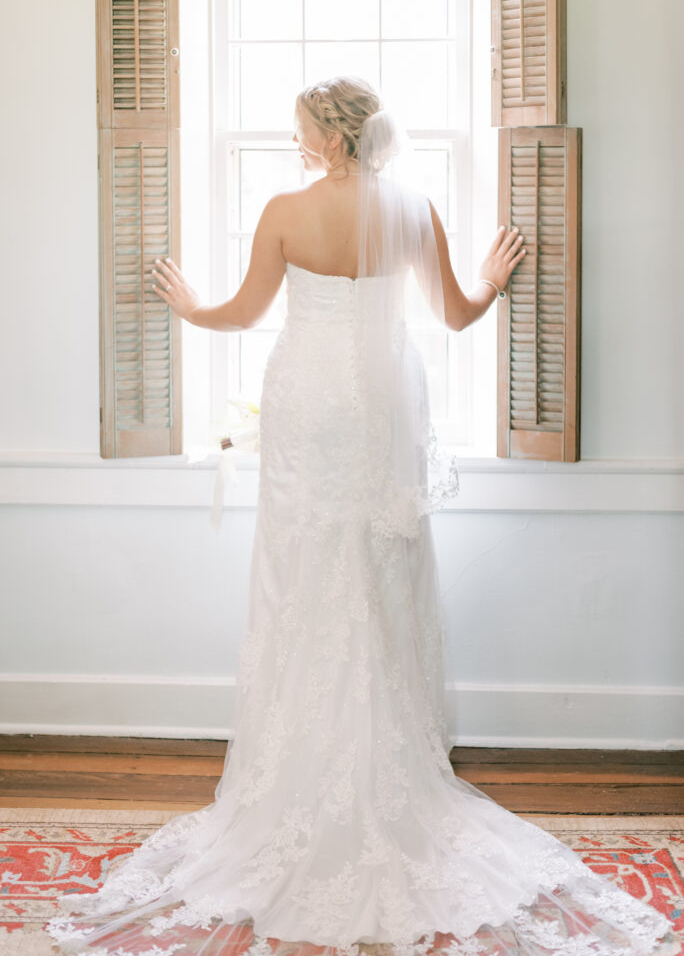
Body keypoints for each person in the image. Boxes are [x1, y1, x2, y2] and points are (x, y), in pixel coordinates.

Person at [46, 77, 675, 956]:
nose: (295, 141)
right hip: (382, 405)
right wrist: (493, 282)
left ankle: (301, 776)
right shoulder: (415, 209)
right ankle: (383, 762)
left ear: (334, 141)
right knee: (380, 566)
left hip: (309, 403)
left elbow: (242, 313)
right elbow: (455, 316)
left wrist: (189, 307)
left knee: (305, 573)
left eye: (302, 130)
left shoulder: (285, 211)